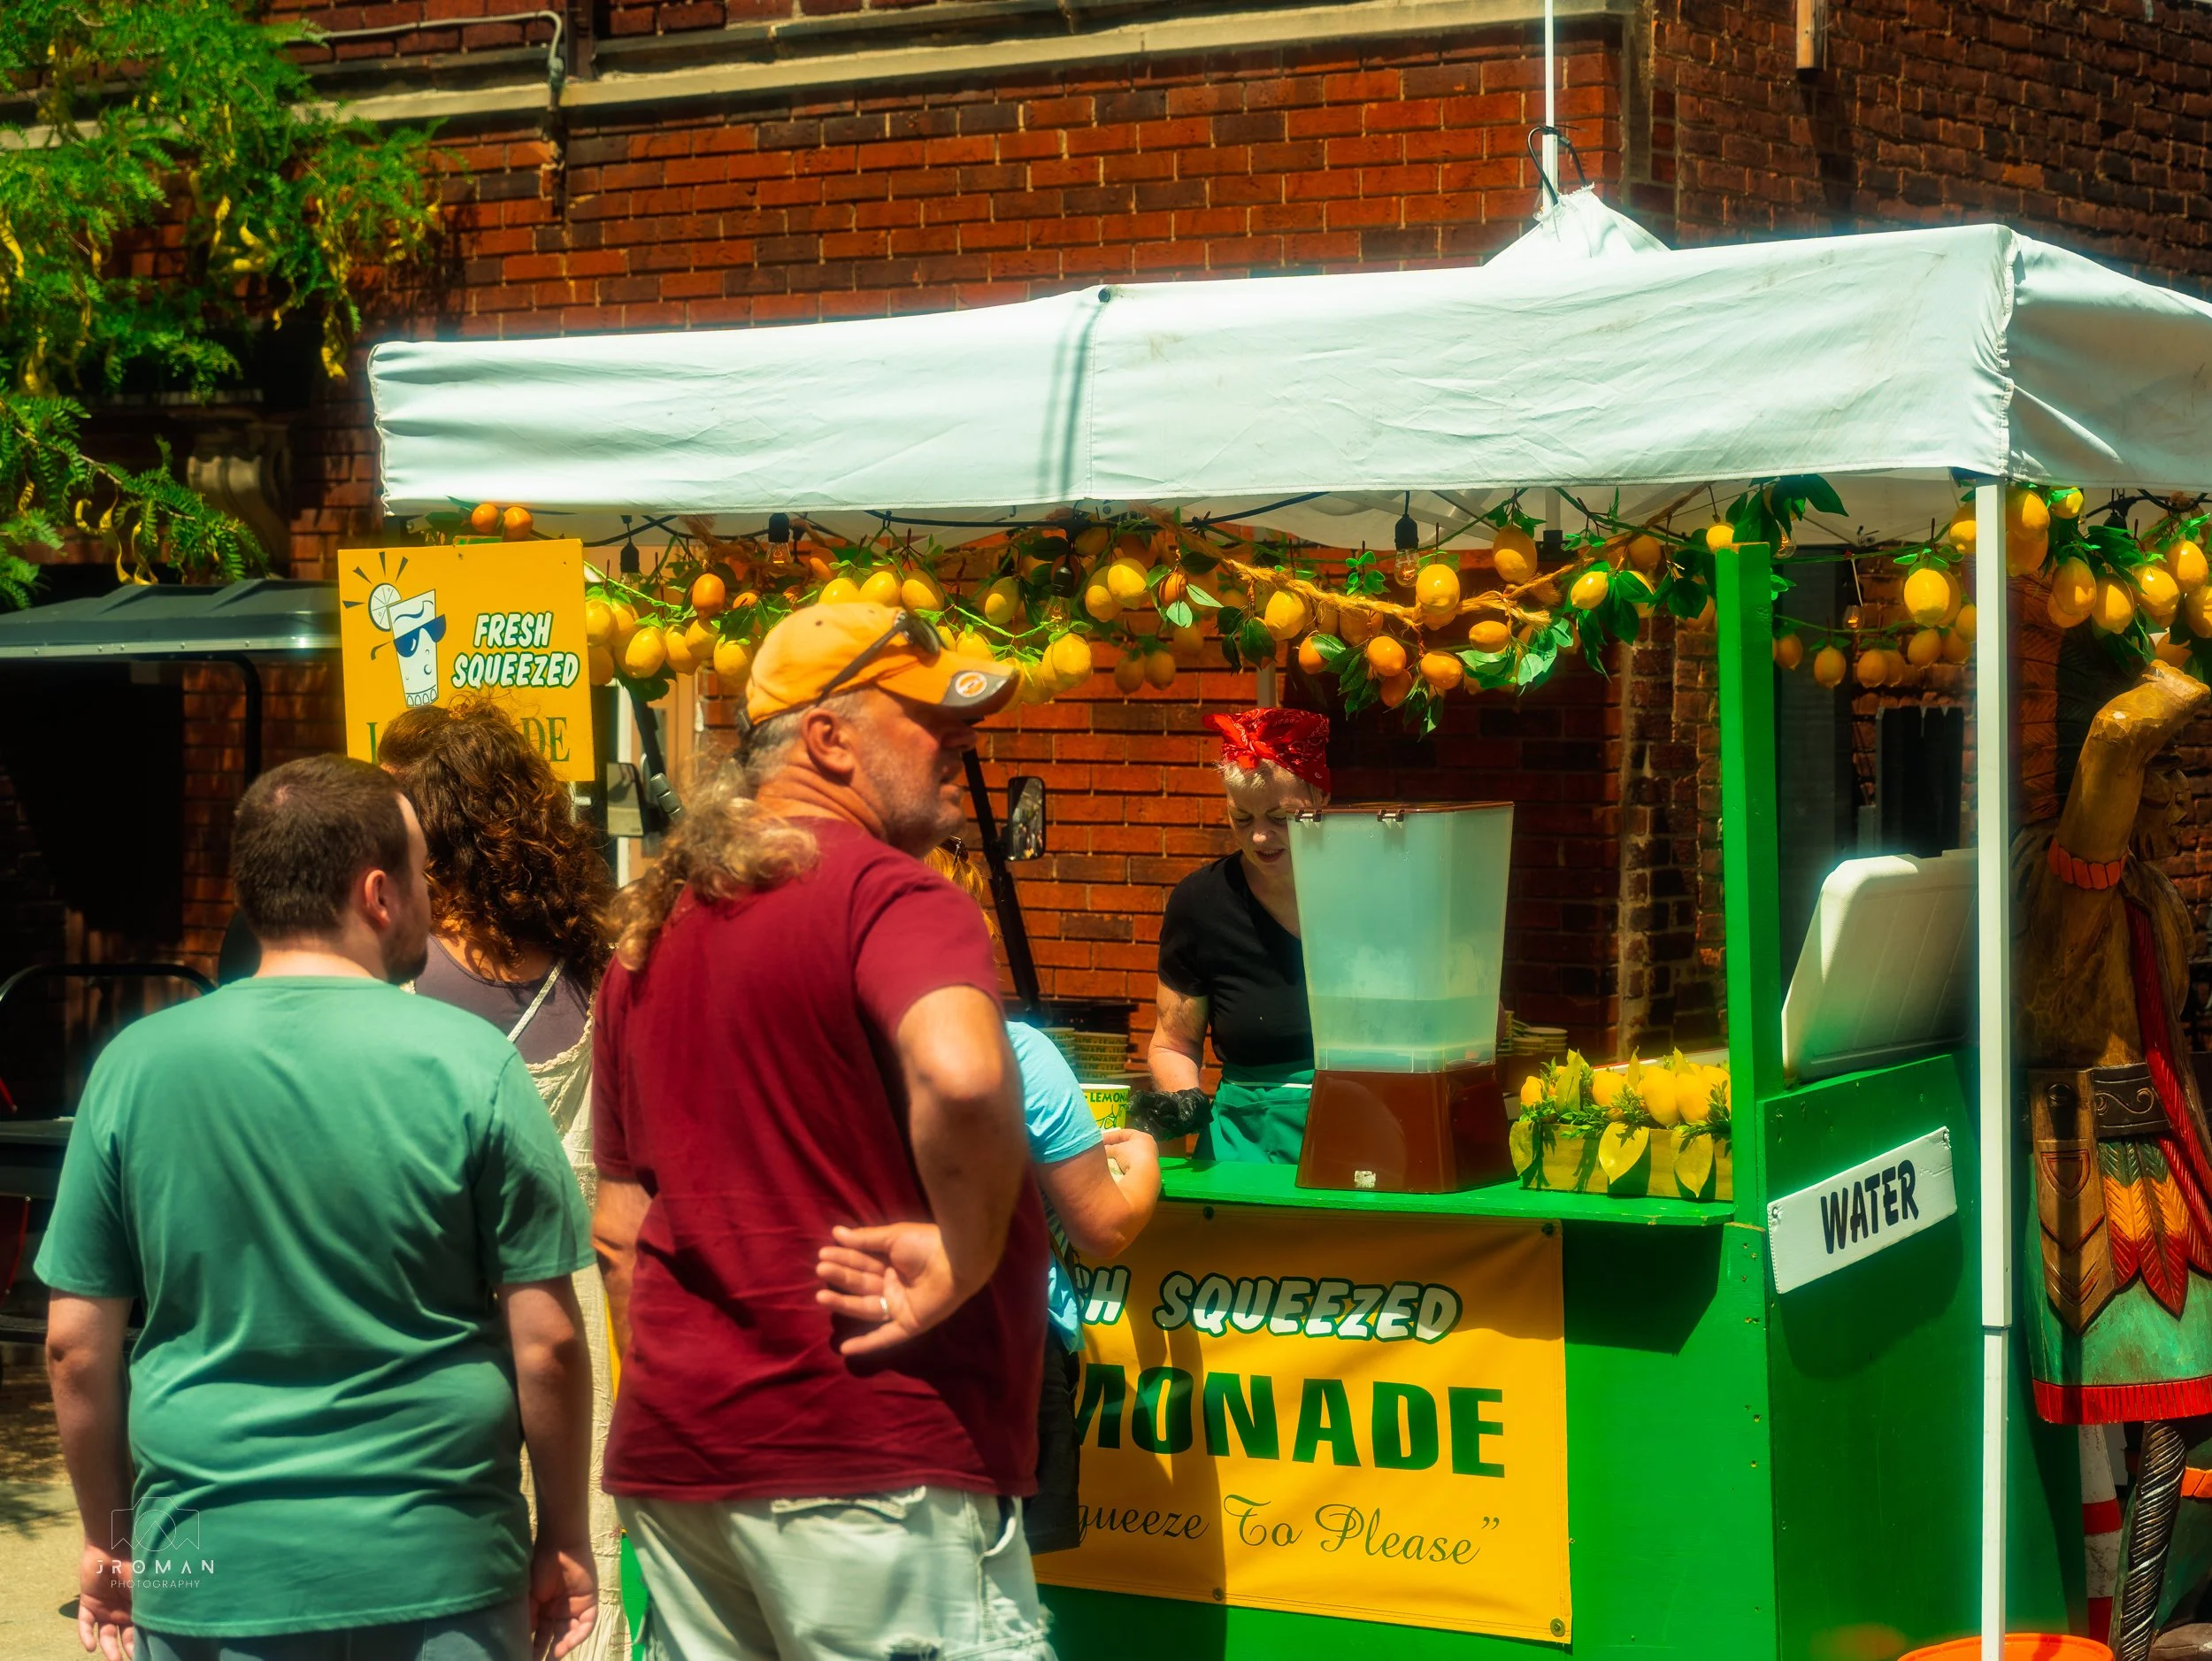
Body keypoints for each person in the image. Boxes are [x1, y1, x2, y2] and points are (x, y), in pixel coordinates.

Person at [39, 754, 598, 1661]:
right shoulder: (473, 1064)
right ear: (377, 892)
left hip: (207, 1565)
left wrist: (111, 1535)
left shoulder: (134, 1068)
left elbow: (74, 1348)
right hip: (440, 1562)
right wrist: (564, 1535)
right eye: (423, 875)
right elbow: (550, 1341)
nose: (431, 897)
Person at [588, 604, 1053, 1661]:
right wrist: (967, 1255)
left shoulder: (652, 929)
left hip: (687, 1461)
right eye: (929, 717)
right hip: (869, 1459)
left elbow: (620, 1229)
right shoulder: (895, 895)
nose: (959, 740)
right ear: (828, 738)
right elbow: (964, 1068)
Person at [379, 696, 624, 1661]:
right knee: (581, 1572)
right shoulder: (597, 963)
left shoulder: (397, 980)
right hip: (583, 1306)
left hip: (435, 1308)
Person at [926, 844, 1162, 1553]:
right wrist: (1144, 1160)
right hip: (1006, 1351)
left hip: (864, 1350)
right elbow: (1102, 1225)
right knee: (994, 1596)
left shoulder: (822, 1044)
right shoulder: (1017, 1051)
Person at [1137, 707, 1332, 1163]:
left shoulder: (1375, 888)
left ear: (1320, 796)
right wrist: (1184, 1098)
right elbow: (1173, 1041)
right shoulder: (1201, 902)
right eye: (1241, 819)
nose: (1260, 837)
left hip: (1363, 1125)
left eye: (1281, 817)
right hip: (1246, 1140)